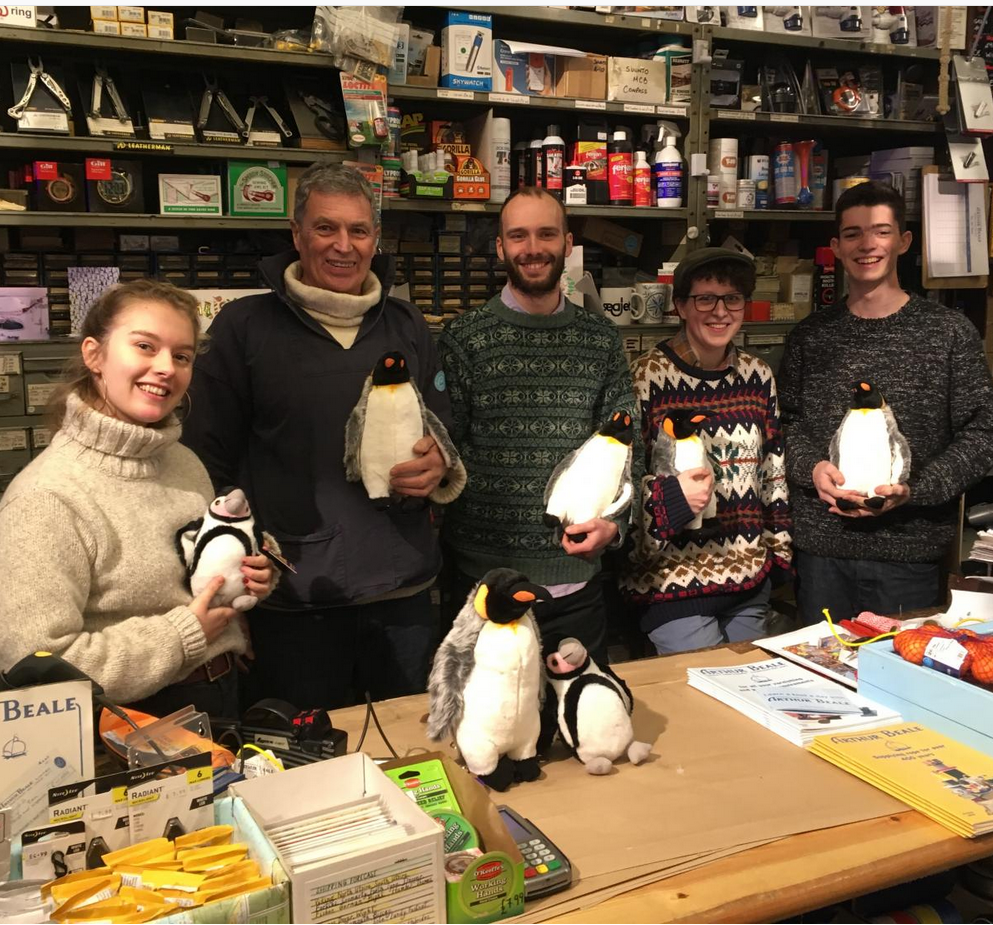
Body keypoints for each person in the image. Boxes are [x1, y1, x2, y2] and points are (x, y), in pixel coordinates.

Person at [182, 163, 463, 710]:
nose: (344, 246)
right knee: (303, 763)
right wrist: (231, 555)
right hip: (294, 598)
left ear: (375, 239)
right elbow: (203, 459)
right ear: (296, 234)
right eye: (325, 228)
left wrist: (439, 466)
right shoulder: (245, 328)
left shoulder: (406, 325)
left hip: (401, 587)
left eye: (359, 231)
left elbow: (443, 430)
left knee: (412, 759)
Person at [0, 280, 275, 718]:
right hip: (132, 727)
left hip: (220, 698)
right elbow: (38, 667)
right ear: (94, 355)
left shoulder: (184, 463)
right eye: (146, 346)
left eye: (182, 355)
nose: (166, 367)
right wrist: (183, 635)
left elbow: (191, 574)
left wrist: (245, 576)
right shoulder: (46, 498)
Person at [437, 186, 639, 666]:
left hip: (575, 586)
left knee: (584, 729)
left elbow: (630, 451)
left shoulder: (601, 341)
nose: (533, 248)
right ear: (501, 247)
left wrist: (614, 524)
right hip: (484, 590)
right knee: (487, 731)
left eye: (546, 234)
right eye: (519, 236)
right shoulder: (464, 339)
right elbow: (445, 459)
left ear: (567, 244)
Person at [778, 180, 993, 624]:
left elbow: (982, 434)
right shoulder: (811, 336)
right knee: (818, 682)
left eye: (880, 231)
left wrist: (916, 489)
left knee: (898, 679)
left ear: (903, 241)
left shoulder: (948, 333)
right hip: (822, 550)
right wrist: (813, 470)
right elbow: (786, 424)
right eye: (853, 234)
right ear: (836, 246)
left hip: (908, 552)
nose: (867, 245)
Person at [620, 248, 793, 654]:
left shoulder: (758, 375)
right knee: (706, 699)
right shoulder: (647, 376)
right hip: (672, 585)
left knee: (751, 695)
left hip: (749, 578)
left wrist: (779, 558)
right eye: (705, 299)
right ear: (680, 305)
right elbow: (623, 485)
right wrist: (671, 503)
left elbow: (773, 472)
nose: (720, 311)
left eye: (732, 298)